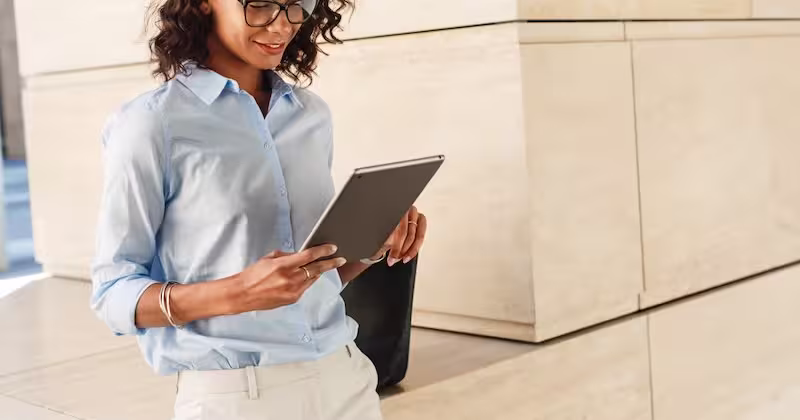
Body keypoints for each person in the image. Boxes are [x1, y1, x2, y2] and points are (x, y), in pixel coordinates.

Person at [89, 0, 428, 419]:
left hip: (346, 379)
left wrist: (375, 245)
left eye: (296, 6)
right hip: (237, 397)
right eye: (262, 4)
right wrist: (238, 293)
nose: (282, 25)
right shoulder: (149, 124)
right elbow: (113, 295)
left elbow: (315, 283)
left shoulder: (310, 115)